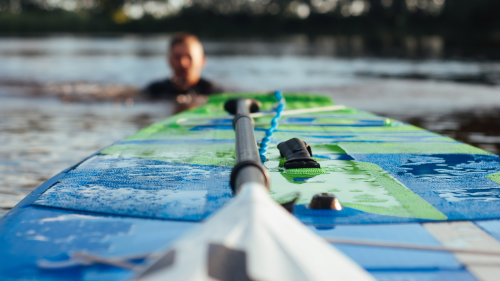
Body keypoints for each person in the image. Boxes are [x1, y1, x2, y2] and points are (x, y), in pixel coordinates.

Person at [143, 32, 223, 109]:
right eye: (177, 57)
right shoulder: (154, 91)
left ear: (202, 61)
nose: (183, 63)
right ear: (170, 61)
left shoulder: (214, 93)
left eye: (189, 57)